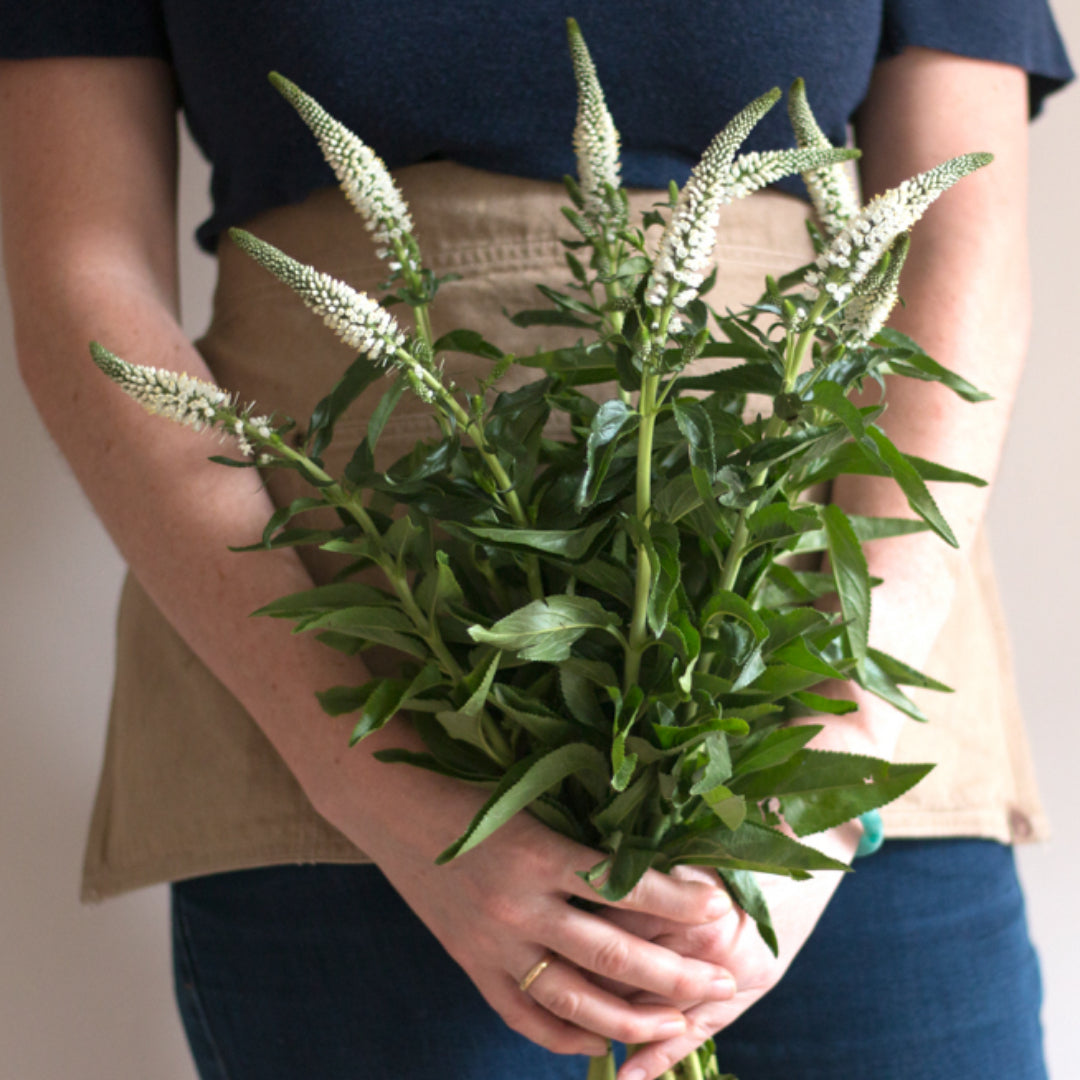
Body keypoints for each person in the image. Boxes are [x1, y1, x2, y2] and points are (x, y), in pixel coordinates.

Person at [0, 5, 1071, 1079]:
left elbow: (959, 249)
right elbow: (78, 271)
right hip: (330, 701)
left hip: (824, 681)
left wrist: (842, 748)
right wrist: (376, 787)